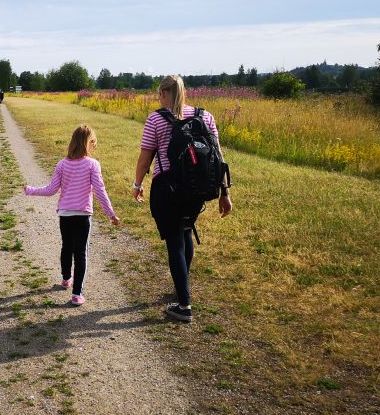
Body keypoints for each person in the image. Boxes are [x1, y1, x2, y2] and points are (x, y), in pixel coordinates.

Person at [132, 74, 231, 323]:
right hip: (197, 189)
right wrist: (225, 193)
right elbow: (218, 158)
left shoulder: (156, 118)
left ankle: (184, 305)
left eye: (159, 94)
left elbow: (145, 159)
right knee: (185, 231)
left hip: (167, 189)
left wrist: (137, 184)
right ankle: (182, 285)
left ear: (165, 93)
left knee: (175, 240)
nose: (158, 98)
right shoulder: (204, 116)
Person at [25, 125, 120, 306]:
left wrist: (31, 190)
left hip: (65, 214)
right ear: (88, 143)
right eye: (94, 143)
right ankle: (77, 294)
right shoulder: (93, 164)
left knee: (66, 247)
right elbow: (100, 191)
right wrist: (111, 214)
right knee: (81, 253)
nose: (95, 147)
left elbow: (51, 190)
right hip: (83, 215)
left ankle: (66, 278)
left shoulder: (62, 164)